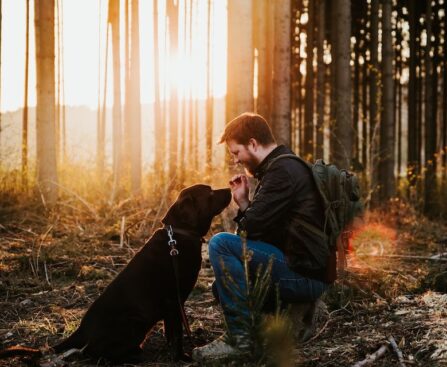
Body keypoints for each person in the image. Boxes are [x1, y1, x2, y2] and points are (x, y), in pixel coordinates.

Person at [192, 113, 331, 362]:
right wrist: (246, 202)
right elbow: (261, 232)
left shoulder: (282, 172)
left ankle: (240, 340)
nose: (236, 160)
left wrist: (243, 205)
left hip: (304, 275)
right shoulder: (282, 167)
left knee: (220, 244)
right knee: (222, 287)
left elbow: (248, 231)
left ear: (253, 144)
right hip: (304, 268)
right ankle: (276, 326)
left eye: (236, 153)